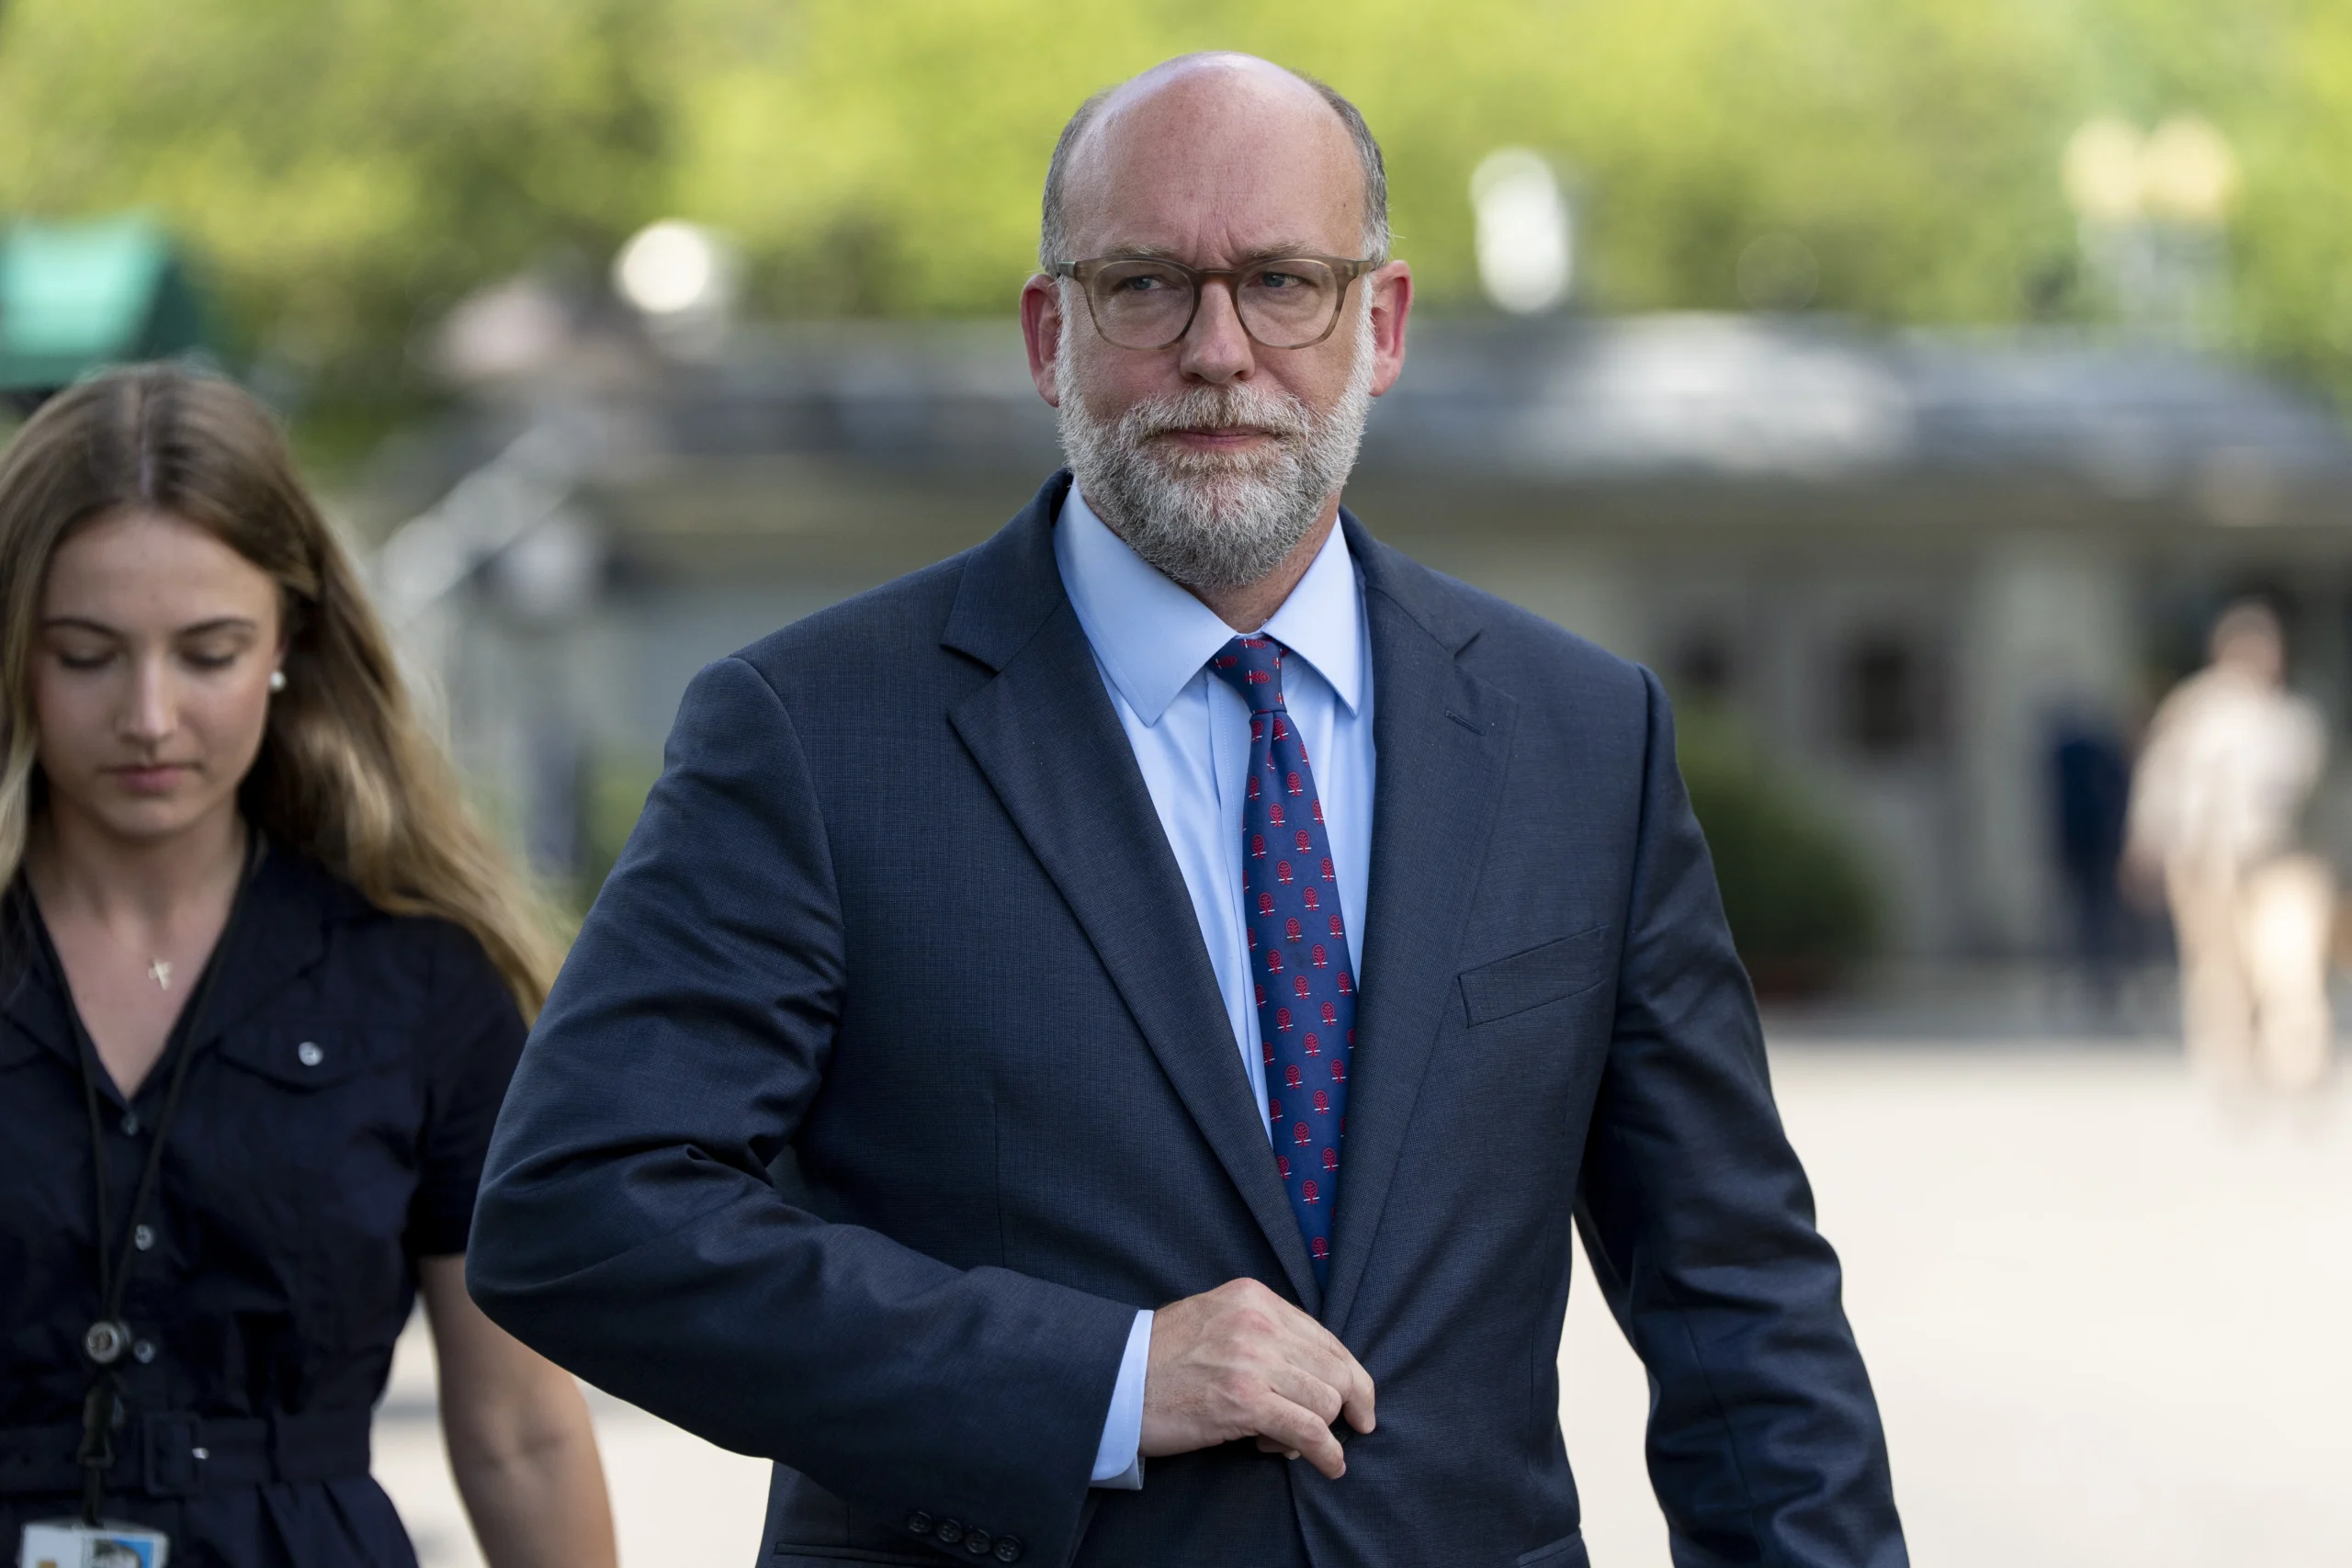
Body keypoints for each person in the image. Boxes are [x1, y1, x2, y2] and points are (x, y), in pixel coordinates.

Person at [469, 54, 1904, 1568]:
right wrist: (1097, 1378)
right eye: (1146, 285)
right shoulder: (813, 733)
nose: (1219, 351)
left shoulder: (1582, 737)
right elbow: (581, 1210)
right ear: (1051, 334)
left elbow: (1741, 1300)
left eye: (1283, 282)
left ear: (1382, 325)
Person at [0, 366, 618, 1567]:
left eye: (208, 653)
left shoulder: (426, 980)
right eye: (85, 655)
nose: (149, 715)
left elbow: (522, 1432)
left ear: (288, 641)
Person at [2127, 600, 2334, 1089]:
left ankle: (2297, 1061)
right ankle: (2230, 1059)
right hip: (2209, 860)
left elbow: (2315, 790)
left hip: (2283, 859)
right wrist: (2148, 840)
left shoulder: (2292, 715)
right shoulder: (2194, 712)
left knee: (2289, 963)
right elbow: (2163, 780)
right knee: (2218, 968)